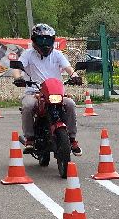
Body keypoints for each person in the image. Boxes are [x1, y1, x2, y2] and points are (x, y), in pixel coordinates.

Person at [12, 24, 82, 155]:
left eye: (48, 40)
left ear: (52, 40)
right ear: (34, 40)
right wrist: (18, 78)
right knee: (28, 105)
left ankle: (72, 139)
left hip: (55, 92)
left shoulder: (57, 54)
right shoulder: (28, 54)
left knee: (71, 105)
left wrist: (75, 76)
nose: (44, 43)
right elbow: (18, 67)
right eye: (41, 40)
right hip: (34, 92)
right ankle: (30, 138)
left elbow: (68, 68)